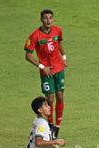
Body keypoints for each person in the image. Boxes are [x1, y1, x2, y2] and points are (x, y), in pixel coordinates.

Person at [24, 8, 68, 139]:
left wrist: (64, 57)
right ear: (41, 20)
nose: (48, 20)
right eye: (45, 18)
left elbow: (59, 42)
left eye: (50, 18)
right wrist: (42, 66)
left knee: (60, 96)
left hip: (59, 68)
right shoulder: (35, 36)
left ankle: (57, 127)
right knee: (49, 99)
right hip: (46, 72)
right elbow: (27, 56)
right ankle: (50, 124)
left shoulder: (57, 30)